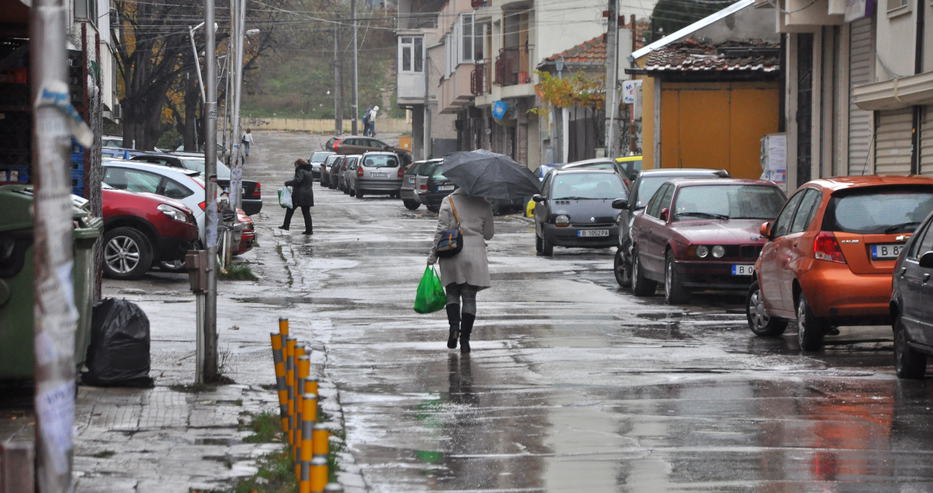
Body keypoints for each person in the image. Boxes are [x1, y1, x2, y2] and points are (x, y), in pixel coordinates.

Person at [427, 188, 495, 353]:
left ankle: (453, 329)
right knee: (469, 298)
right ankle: (465, 340)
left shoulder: (449, 201)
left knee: (452, 294)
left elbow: (441, 230)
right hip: (475, 255)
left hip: (451, 252)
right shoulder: (484, 204)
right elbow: (488, 234)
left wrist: (433, 255)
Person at [280, 159, 314, 234]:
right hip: (308, 194)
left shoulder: (300, 170)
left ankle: (286, 226)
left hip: (299, 195)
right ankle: (309, 230)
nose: (295, 167)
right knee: (306, 213)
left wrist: (288, 183)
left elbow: (298, 181)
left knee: (290, 209)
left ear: (298, 164)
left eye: (295, 165)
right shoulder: (309, 171)